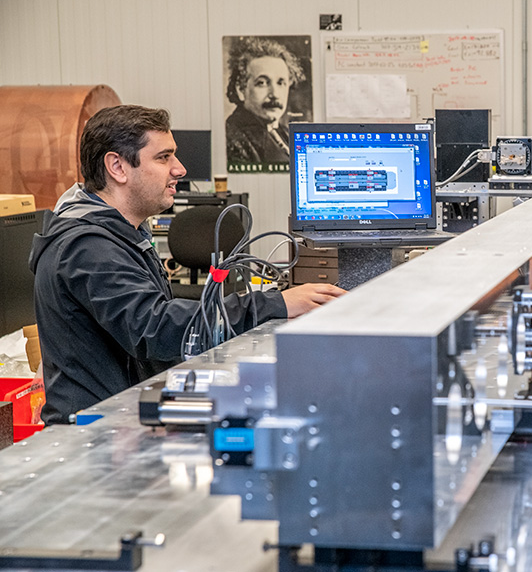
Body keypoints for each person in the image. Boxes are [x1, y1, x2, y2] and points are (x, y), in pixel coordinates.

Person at [30, 105, 344, 425]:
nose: (179, 169)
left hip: (123, 417)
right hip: (93, 434)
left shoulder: (121, 233)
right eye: (164, 157)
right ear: (117, 167)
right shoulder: (87, 247)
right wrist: (273, 304)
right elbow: (154, 327)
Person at [225, 36, 303, 167]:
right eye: (262, 83)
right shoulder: (233, 138)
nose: (274, 94)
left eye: (281, 83)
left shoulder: (285, 133)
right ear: (240, 89)